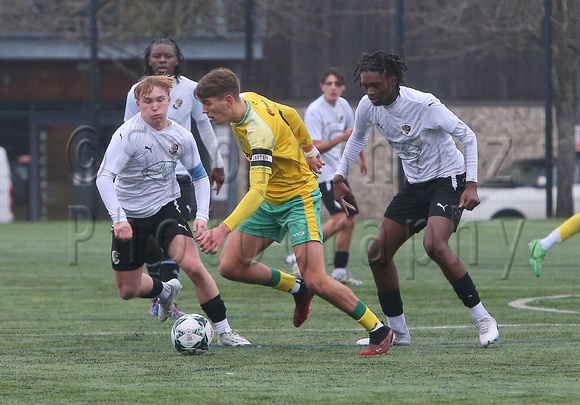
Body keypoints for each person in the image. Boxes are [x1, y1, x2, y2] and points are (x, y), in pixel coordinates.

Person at [193, 67, 394, 355]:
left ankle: (379, 330)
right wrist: (311, 151)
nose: (204, 112)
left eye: (208, 105)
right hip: (269, 201)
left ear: (227, 100)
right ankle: (297, 289)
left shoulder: (258, 132)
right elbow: (289, 113)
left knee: (316, 277)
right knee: (231, 266)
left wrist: (222, 228)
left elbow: (257, 190)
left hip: (297, 198)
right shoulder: (248, 98)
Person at [334, 51, 499, 348]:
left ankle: (483, 318)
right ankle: (398, 332)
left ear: (392, 80)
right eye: (365, 86)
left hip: (448, 181)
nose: (370, 92)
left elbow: (468, 136)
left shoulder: (424, 105)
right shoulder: (368, 106)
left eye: (376, 86)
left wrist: (471, 185)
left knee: (434, 245)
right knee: (378, 254)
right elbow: (358, 137)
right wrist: (338, 177)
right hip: (415, 187)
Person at [97, 75, 250, 347]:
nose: (155, 107)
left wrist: (202, 216)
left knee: (195, 268)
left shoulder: (180, 135)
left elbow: (200, 176)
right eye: (148, 102)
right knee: (127, 290)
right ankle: (165, 291)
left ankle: (226, 332)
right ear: (138, 103)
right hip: (129, 216)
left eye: (160, 101)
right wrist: (119, 219)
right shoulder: (126, 135)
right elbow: (104, 177)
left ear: (170, 102)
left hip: (165, 209)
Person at [124, 38, 225, 318]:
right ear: (149, 60)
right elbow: (127, 134)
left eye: (167, 56)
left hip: (180, 176)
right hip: (148, 177)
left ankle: (167, 296)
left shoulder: (191, 89)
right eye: (157, 56)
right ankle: (161, 293)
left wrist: (217, 162)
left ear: (176, 59)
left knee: (175, 236)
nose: (162, 60)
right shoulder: (136, 91)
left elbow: (204, 126)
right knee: (149, 242)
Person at [303, 67, 367, 286]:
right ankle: (298, 256)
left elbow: (354, 135)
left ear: (342, 87)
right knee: (340, 220)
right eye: (329, 84)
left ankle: (340, 270)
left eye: (337, 84)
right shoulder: (314, 111)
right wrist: (342, 137)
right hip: (320, 173)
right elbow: (315, 146)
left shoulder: (344, 106)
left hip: (336, 173)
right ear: (322, 86)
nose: (333, 88)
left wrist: (363, 158)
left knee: (349, 221)